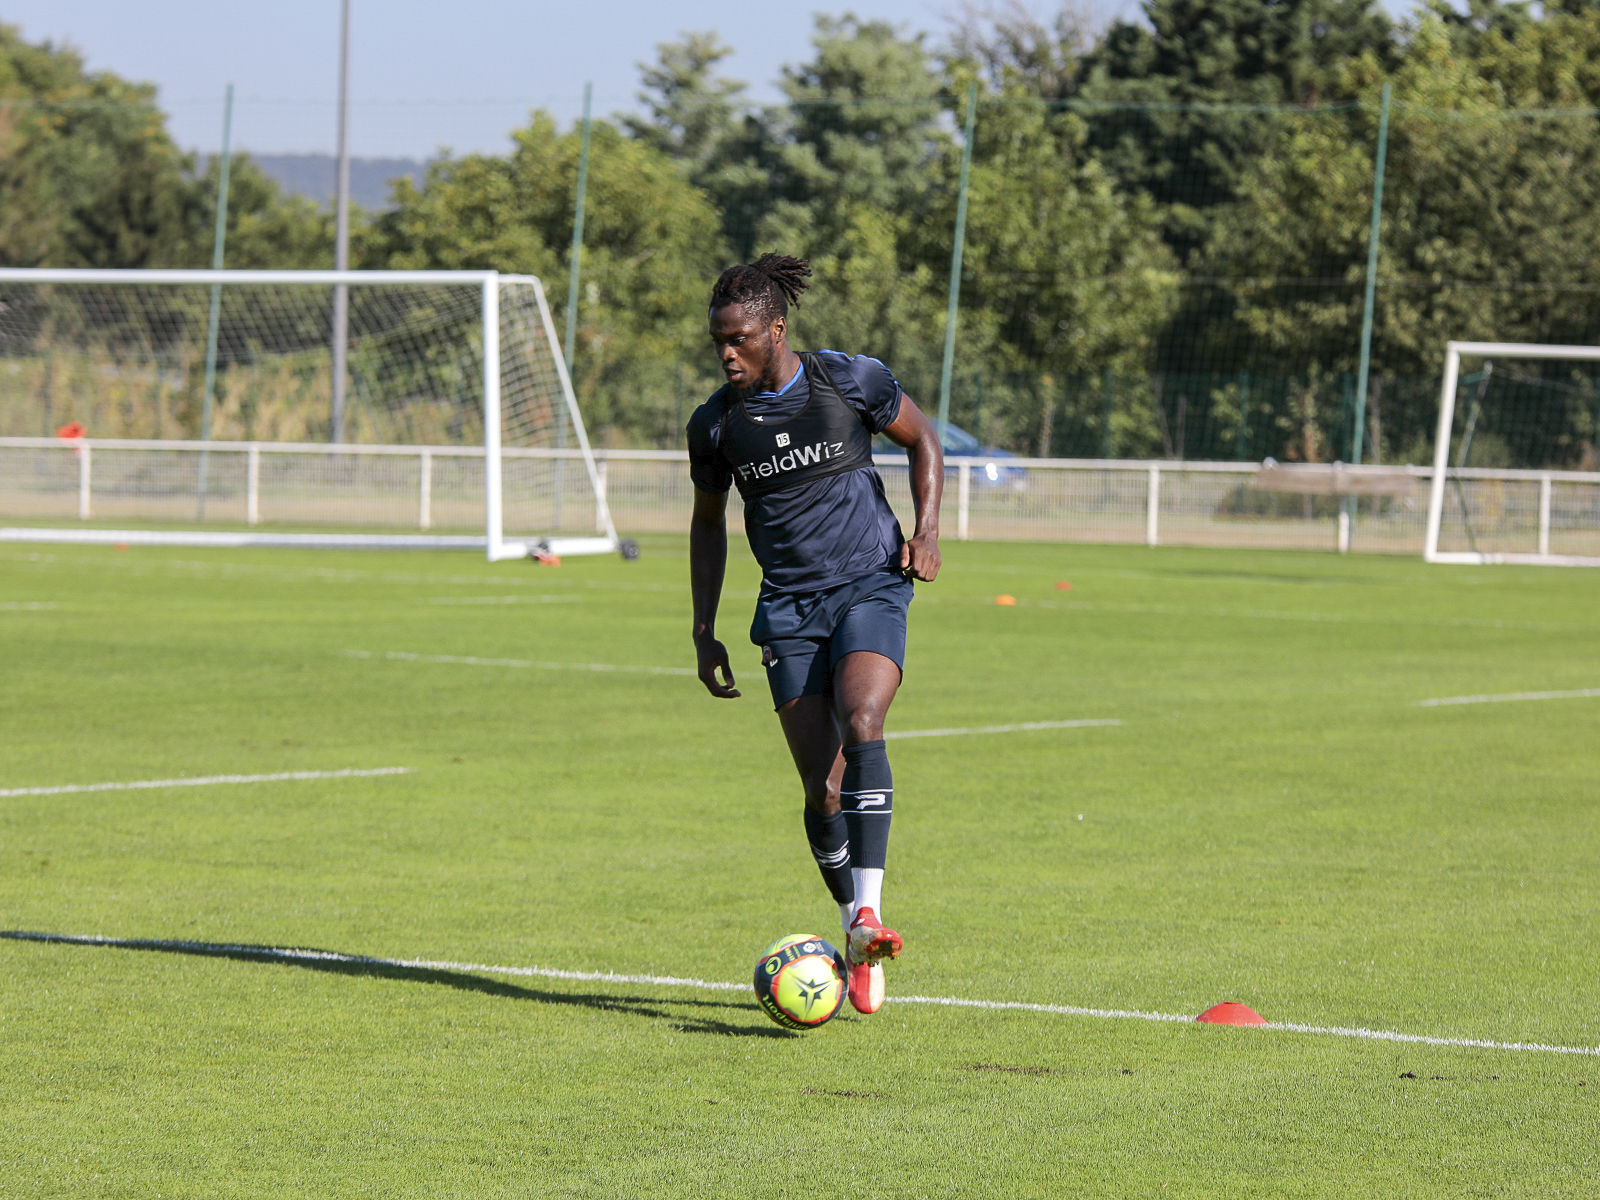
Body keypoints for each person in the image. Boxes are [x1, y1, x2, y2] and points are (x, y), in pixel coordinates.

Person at [687, 253, 943, 1014]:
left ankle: (868, 913)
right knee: (819, 788)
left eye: (738, 338)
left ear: (776, 327)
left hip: (871, 584)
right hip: (790, 610)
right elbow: (707, 526)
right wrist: (704, 631)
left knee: (865, 719)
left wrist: (926, 532)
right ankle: (851, 929)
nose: (726, 353)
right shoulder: (717, 424)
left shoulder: (848, 381)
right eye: (716, 343)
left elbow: (923, 440)